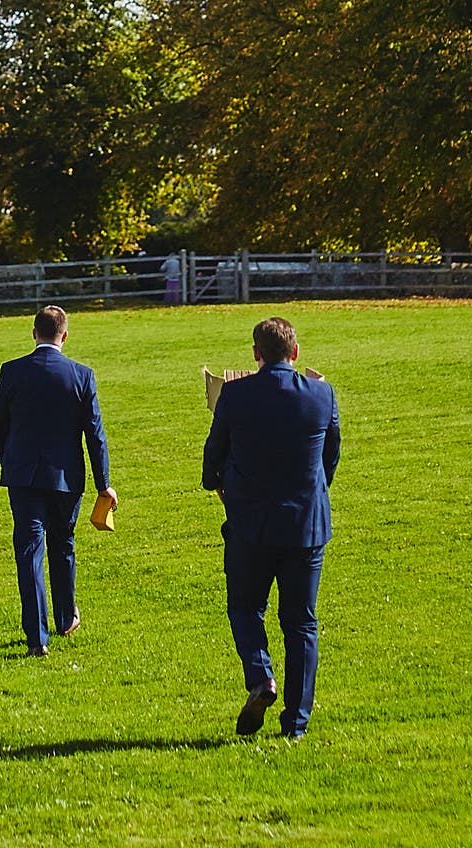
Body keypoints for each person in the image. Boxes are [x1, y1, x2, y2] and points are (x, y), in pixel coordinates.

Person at [201, 314, 341, 738]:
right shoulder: (322, 394)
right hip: (306, 525)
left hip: (250, 524)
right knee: (301, 623)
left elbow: (214, 454)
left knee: (245, 608)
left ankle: (261, 678)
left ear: (256, 355)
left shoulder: (236, 395)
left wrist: (217, 484)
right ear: (295, 353)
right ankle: (296, 724)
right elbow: (330, 457)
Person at [0, 304, 115, 657]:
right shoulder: (81, 375)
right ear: (65, 335)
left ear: (34, 333)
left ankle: (36, 638)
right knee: (63, 545)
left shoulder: (11, 372)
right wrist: (104, 482)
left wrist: (8, 458)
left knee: (29, 553)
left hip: (23, 476)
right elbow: (95, 435)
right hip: (66, 477)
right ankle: (64, 617)